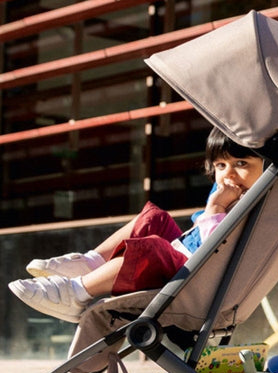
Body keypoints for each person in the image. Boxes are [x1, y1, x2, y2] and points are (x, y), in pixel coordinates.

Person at [8, 128, 264, 324]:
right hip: (182, 254)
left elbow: (217, 252)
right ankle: (91, 263)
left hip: (194, 276)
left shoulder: (254, 206)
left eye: (241, 164)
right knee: (155, 217)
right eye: (221, 165)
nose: (228, 174)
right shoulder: (231, 191)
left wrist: (216, 209)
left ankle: (77, 292)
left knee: (148, 249)